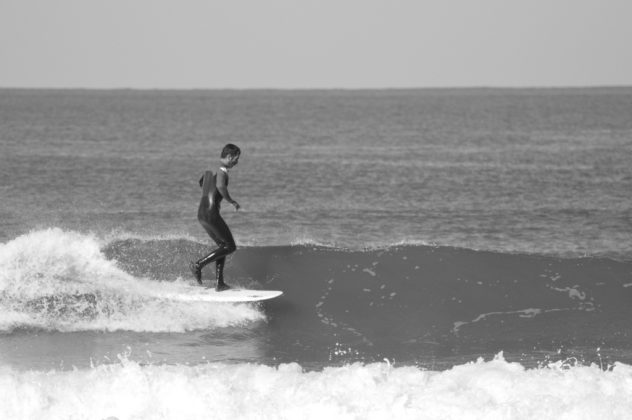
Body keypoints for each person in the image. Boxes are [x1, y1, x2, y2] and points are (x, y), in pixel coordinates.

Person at [190, 143, 241, 291]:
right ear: (230, 156)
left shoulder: (210, 172)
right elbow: (220, 187)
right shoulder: (222, 172)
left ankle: (219, 283)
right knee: (230, 246)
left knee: (223, 246)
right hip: (211, 213)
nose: (236, 162)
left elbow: (201, 183)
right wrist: (231, 201)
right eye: (236, 159)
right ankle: (198, 265)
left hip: (202, 213)